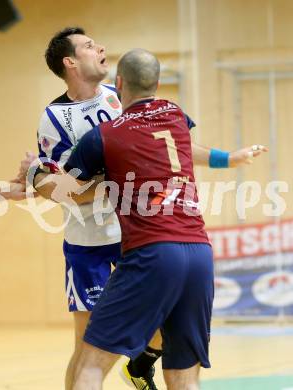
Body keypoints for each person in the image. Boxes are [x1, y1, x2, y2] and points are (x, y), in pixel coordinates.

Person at [30, 28, 267, 390]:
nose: (101, 47)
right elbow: (63, 188)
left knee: (161, 327)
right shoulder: (54, 117)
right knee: (88, 345)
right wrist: (40, 177)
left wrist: (227, 159)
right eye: (90, 45)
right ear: (70, 62)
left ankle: (139, 364)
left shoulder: (118, 97)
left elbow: (178, 144)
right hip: (90, 240)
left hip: (136, 234)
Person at [57, 47, 214, 389]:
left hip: (152, 252)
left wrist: (36, 173)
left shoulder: (104, 134)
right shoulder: (176, 115)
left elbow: (66, 190)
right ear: (157, 84)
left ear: (118, 83)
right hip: (200, 253)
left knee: (90, 365)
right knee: (185, 379)